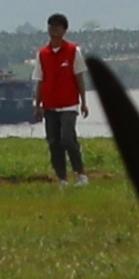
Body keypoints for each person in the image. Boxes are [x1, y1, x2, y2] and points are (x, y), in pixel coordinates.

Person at [34, 14, 86, 184]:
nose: (54, 29)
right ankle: (62, 178)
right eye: (51, 26)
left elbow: (79, 78)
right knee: (54, 142)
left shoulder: (73, 51)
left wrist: (84, 102)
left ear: (64, 30)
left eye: (58, 27)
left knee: (67, 139)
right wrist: (37, 105)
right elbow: (40, 81)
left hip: (69, 105)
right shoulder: (42, 54)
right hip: (49, 106)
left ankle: (80, 173)